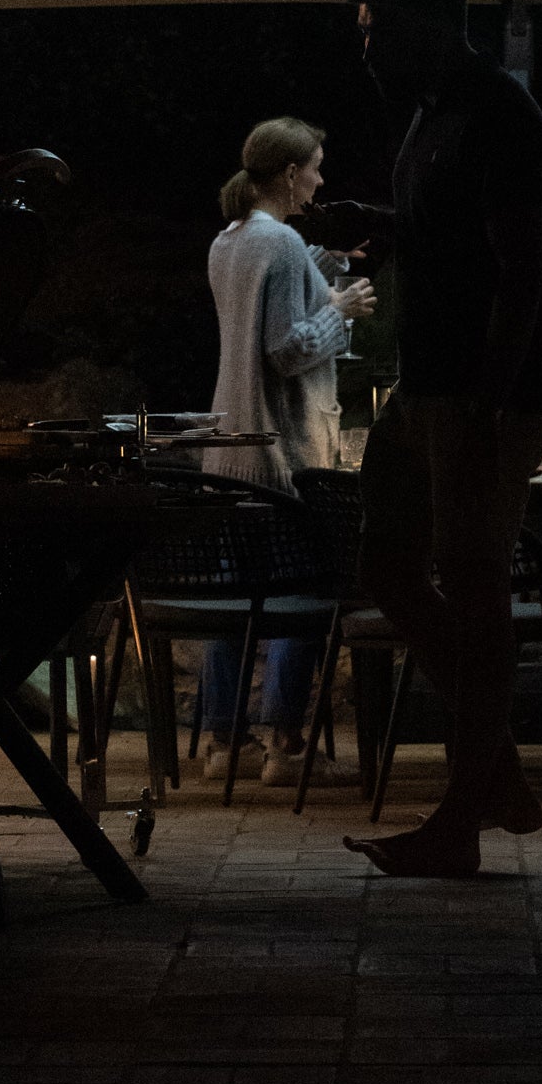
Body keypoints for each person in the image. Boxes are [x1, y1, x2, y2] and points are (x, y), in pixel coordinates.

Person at [312, 0, 542, 878]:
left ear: (427, 22)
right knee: (386, 563)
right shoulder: (426, 117)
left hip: (481, 391)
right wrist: (373, 220)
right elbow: (450, 234)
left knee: (473, 580)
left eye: (377, 32)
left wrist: (493, 406)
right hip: (429, 384)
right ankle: (494, 768)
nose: (368, 53)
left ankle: (462, 816)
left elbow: (524, 263)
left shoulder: (500, 111)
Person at [200, 115, 375, 785]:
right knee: (301, 592)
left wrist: (324, 268)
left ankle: (223, 742)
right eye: (316, 166)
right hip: (283, 452)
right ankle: (285, 743)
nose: (322, 179)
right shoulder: (277, 244)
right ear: (289, 172)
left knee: (233, 598)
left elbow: (264, 296)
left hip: (229, 445)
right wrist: (344, 308)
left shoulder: (231, 239)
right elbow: (286, 347)